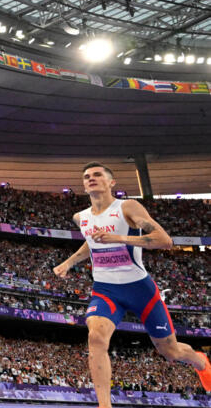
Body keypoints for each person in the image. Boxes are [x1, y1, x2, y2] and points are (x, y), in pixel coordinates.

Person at [52, 162, 211, 408]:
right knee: (95, 337)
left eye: (97, 175)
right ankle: (104, 405)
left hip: (140, 290)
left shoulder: (127, 207)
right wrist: (69, 262)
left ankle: (201, 361)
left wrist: (121, 238)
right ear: (83, 185)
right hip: (105, 290)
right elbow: (92, 243)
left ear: (111, 182)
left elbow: (165, 240)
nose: (91, 178)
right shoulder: (80, 217)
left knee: (170, 352)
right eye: (86, 176)